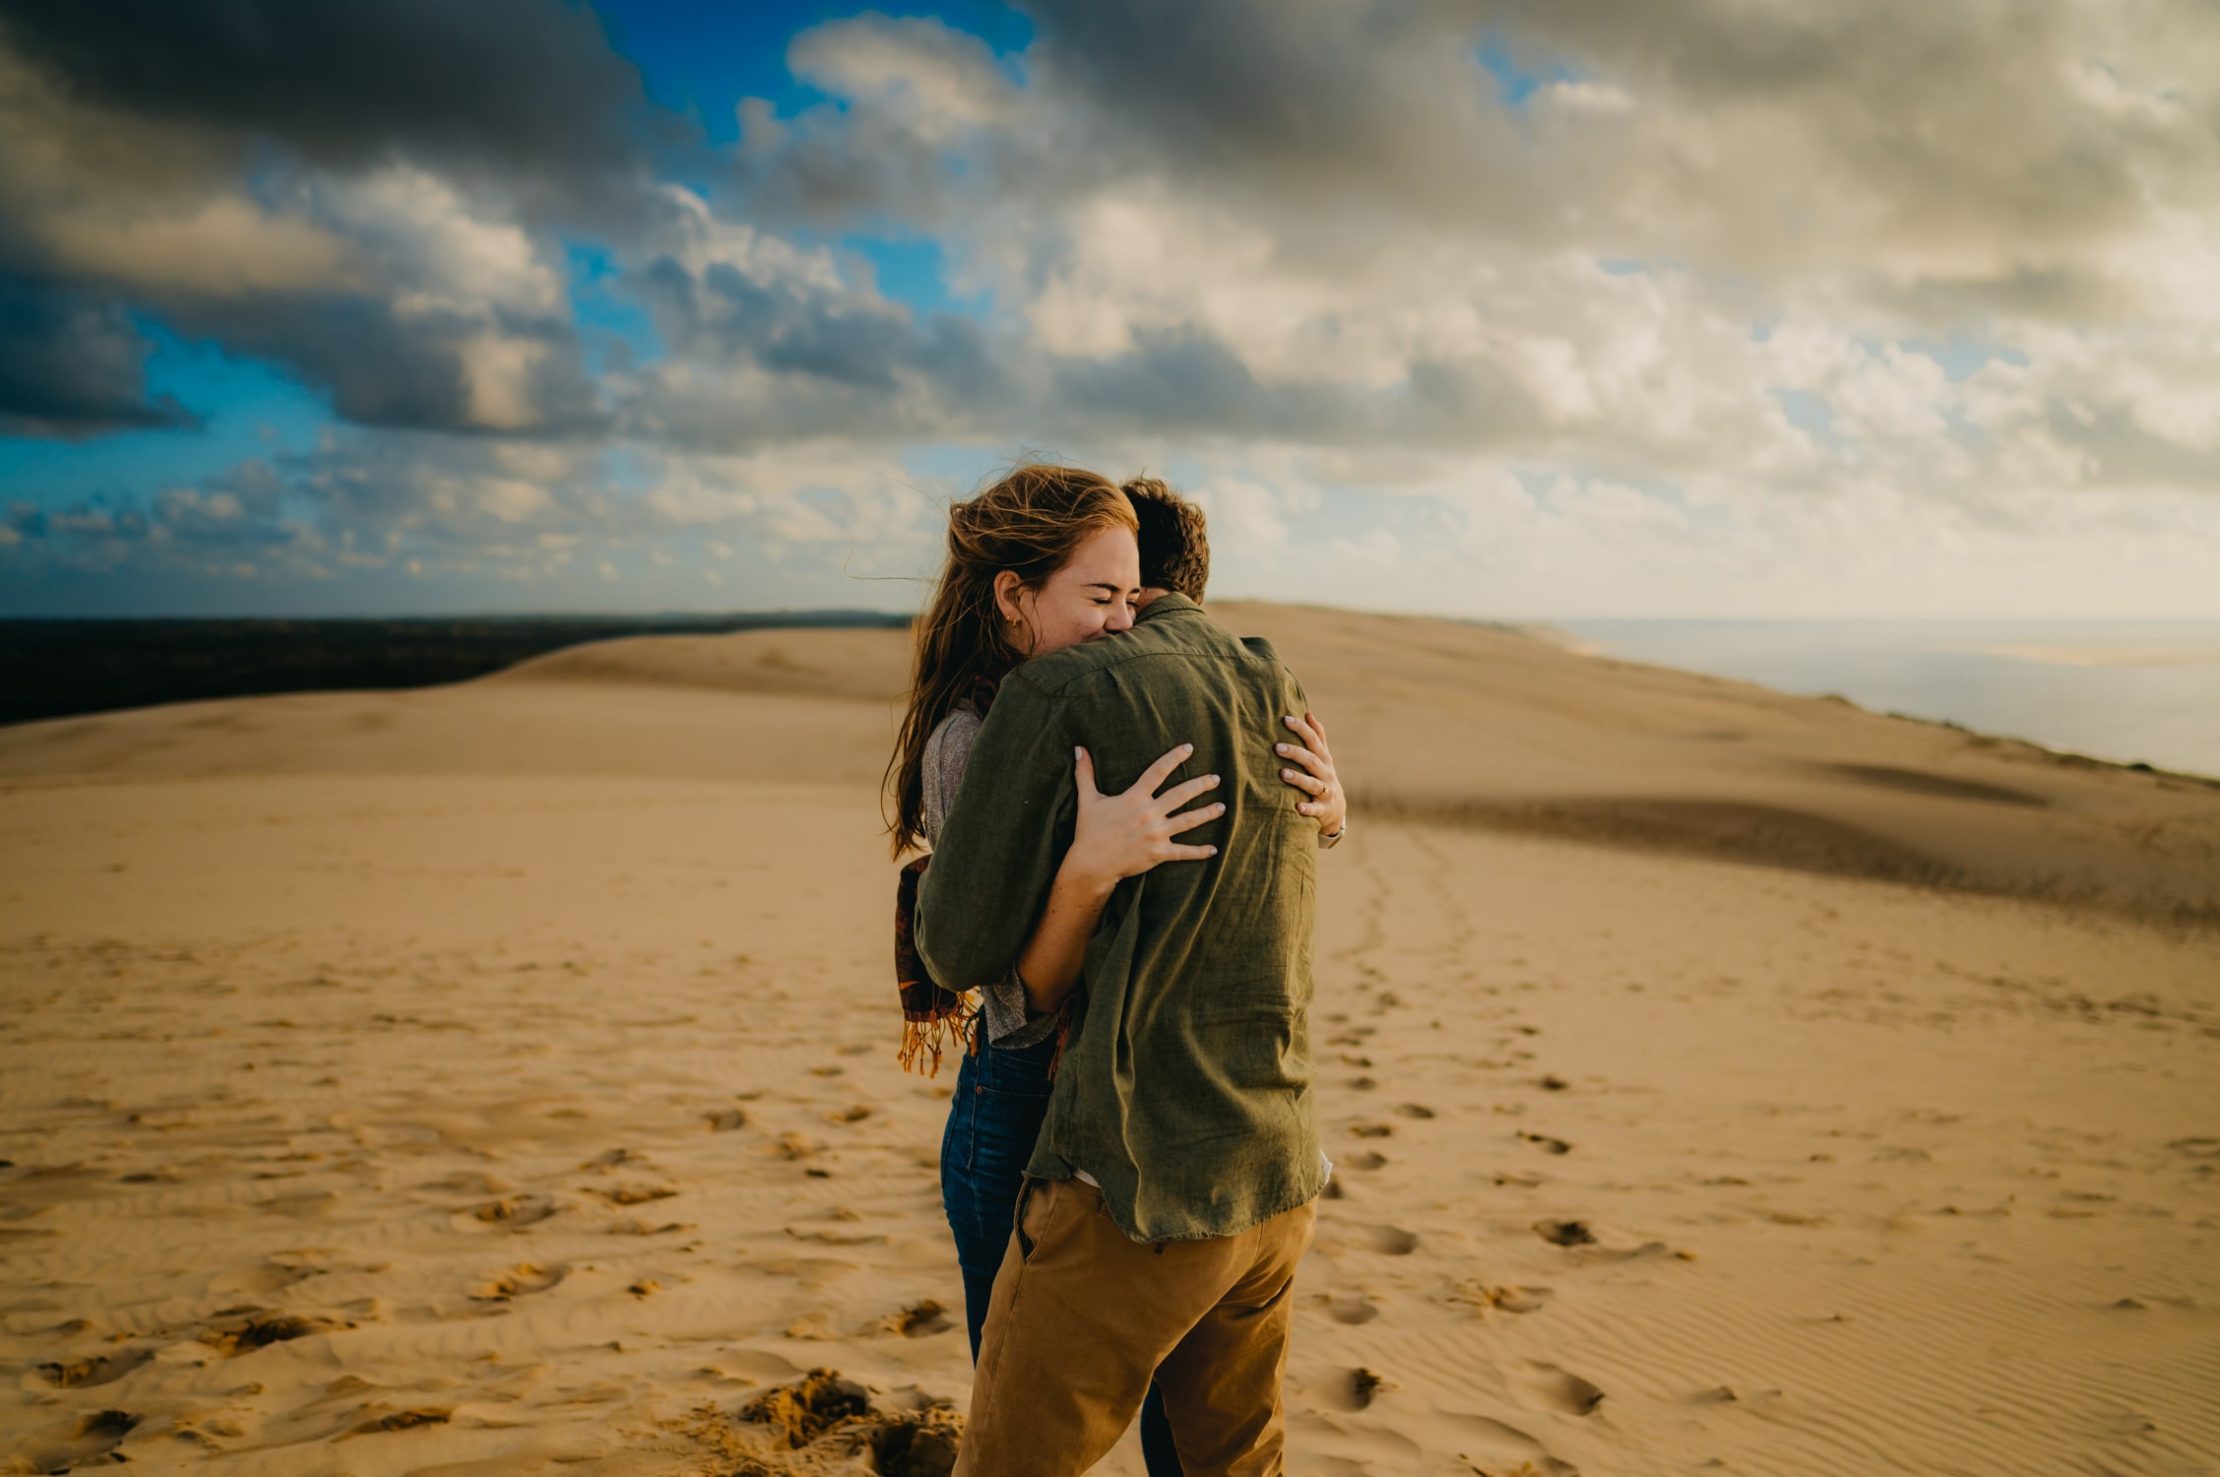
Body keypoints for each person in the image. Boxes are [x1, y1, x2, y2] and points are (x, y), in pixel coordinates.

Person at [887, 465, 1345, 1475]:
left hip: (1152, 1111)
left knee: (1158, 1428)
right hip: (1030, 1094)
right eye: (1100, 598)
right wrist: (1090, 869)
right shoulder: (973, 738)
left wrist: (1327, 809)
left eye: (1132, 597)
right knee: (1022, 1412)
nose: (1122, 623)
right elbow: (1008, 982)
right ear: (1013, 597)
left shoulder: (1117, 699)